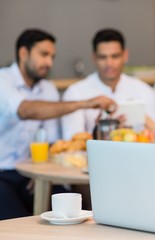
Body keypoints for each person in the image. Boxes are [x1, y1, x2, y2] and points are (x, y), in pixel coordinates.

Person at [0, 29, 115, 220]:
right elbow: (26, 110)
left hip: (32, 173)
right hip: (3, 173)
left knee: (75, 211)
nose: (49, 63)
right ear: (23, 53)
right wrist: (85, 103)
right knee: (16, 220)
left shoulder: (49, 89)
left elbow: (52, 143)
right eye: (44, 55)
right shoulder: (3, 80)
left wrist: (40, 174)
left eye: (52, 56)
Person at [61, 29, 155, 140]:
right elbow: (71, 141)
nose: (109, 64)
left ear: (125, 55)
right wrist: (97, 130)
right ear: (94, 57)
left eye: (115, 56)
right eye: (102, 57)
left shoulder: (144, 91)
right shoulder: (75, 93)